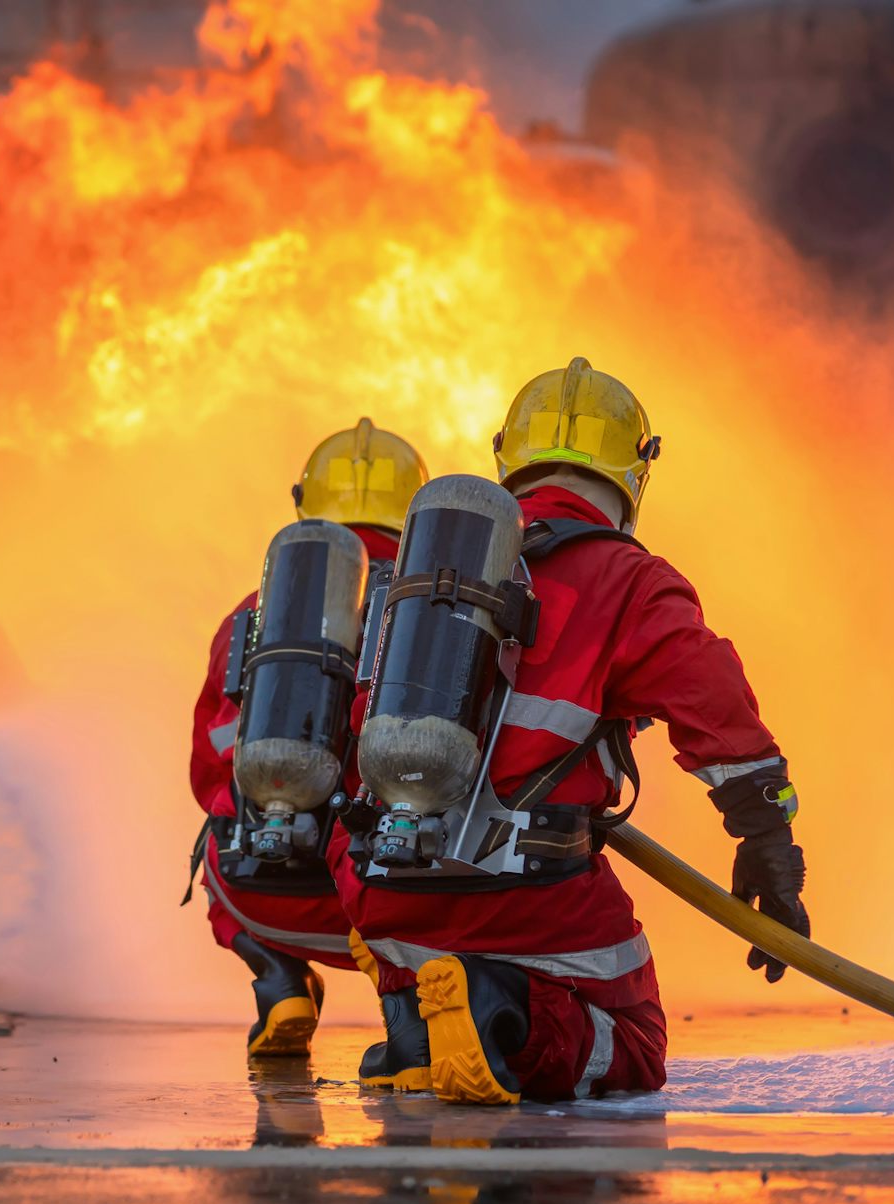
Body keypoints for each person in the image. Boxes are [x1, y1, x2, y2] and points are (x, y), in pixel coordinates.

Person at [333, 358, 810, 1103]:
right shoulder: (627, 578)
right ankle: (500, 1014)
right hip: (528, 904)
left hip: (385, 895)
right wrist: (767, 840)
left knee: (427, 936)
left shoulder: (420, 575)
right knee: (635, 1043)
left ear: (509, 457)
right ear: (633, 475)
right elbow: (715, 704)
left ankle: (414, 1036)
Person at [188, 420, 428, 1056]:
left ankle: (280, 978)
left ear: (305, 506)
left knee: (215, 846)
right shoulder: (431, 607)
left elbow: (207, 769)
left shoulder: (253, 613)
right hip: (401, 906)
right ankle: (410, 1019)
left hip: (270, 898)